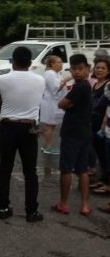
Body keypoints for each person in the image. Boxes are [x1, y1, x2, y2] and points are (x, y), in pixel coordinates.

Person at [0, 46, 45, 222]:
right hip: (29, 128)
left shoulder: (2, 79)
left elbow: (1, 100)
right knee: (30, 171)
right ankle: (31, 211)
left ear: (13, 61)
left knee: (5, 167)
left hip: (7, 126)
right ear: (30, 63)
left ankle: (3, 207)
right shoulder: (40, 80)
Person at [53, 54, 92, 216]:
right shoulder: (86, 86)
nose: (76, 72)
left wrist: (66, 104)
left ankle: (64, 203)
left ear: (87, 70)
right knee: (83, 169)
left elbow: (62, 103)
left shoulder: (80, 87)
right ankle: (84, 205)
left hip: (72, 133)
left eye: (80, 69)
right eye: (74, 69)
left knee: (66, 169)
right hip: (85, 131)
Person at [39, 56, 69, 154]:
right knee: (50, 125)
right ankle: (48, 147)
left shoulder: (55, 74)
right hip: (50, 103)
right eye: (59, 62)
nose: (61, 64)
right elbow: (55, 89)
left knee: (51, 125)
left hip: (52, 102)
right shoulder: (50, 74)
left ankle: (46, 145)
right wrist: (67, 80)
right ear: (52, 64)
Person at [89, 58, 110, 191]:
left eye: (103, 68)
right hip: (93, 121)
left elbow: (107, 107)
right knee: (99, 152)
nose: (99, 70)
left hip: (103, 123)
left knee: (105, 153)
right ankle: (103, 179)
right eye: (97, 67)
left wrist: (103, 124)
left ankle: (107, 181)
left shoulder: (108, 85)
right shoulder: (95, 84)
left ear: (108, 71)